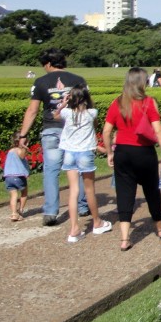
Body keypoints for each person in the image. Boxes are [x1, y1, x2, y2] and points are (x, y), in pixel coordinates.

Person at [102, 67, 161, 251]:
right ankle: (160, 227)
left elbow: (106, 131)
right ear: (143, 82)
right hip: (143, 152)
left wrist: (110, 152)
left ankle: (125, 238)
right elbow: (158, 130)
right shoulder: (148, 102)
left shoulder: (117, 103)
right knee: (151, 190)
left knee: (125, 192)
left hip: (123, 153)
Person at [18, 48, 89, 225]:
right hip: (74, 129)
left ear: (49, 64)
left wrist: (23, 134)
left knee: (51, 171)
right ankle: (82, 206)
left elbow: (32, 110)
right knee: (77, 168)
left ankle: (50, 212)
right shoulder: (78, 80)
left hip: (51, 128)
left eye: (44, 65)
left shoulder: (41, 81)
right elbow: (86, 107)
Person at [55, 84, 112, 243]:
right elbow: (92, 111)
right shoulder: (91, 113)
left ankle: (74, 229)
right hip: (85, 153)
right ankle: (97, 222)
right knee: (89, 190)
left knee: (73, 191)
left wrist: (64, 102)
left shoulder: (67, 113)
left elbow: (55, 115)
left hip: (69, 154)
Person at [3, 132, 29, 222]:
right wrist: (25, 147)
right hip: (18, 176)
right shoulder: (19, 150)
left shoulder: (10, 151)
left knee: (13, 195)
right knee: (24, 193)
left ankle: (14, 213)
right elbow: (22, 156)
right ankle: (20, 210)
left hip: (8, 177)